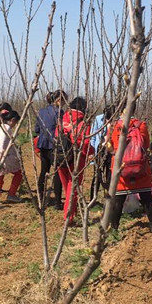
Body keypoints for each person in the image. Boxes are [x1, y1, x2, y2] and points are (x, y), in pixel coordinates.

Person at [106, 112, 152, 233]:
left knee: (118, 200)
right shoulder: (141, 125)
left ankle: (114, 229)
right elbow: (145, 145)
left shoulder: (114, 126)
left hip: (121, 168)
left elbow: (110, 146)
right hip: (140, 168)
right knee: (147, 198)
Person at [56, 97, 92, 226]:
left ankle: (72, 211)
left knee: (67, 188)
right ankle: (68, 219)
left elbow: (56, 136)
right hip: (76, 159)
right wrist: (90, 153)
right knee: (73, 189)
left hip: (60, 157)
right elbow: (85, 142)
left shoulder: (62, 119)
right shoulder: (83, 123)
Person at [34, 90, 67, 210]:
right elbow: (62, 130)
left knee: (44, 171)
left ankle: (40, 198)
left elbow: (37, 129)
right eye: (64, 100)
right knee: (58, 172)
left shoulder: (41, 112)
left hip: (43, 145)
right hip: (55, 145)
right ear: (59, 100)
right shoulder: (59, 113)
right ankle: (58, 203)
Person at [0, 110, 23, 210]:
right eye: (15, 122)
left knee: (1, 178)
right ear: (12, 120)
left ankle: (3, 198)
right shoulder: (5, 130)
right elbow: (1, 146)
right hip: (1, 157)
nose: (15, 125)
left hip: (0, 156)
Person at [89, 103, 117, 203]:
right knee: (97, 175)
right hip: (99, 150)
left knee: (110, 174)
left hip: (112, 151)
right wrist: (92, 151)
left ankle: (109, 199)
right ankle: (93, 199)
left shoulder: (118, 121)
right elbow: (92, 136)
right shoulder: (98, 119)